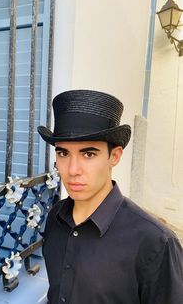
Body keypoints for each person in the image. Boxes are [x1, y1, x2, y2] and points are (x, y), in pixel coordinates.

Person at [37, 89, 183, 304]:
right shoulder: (55, 217)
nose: (73, 169)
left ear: (114, 156)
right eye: (63, 153)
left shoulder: (156, 243)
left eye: (88, 154)